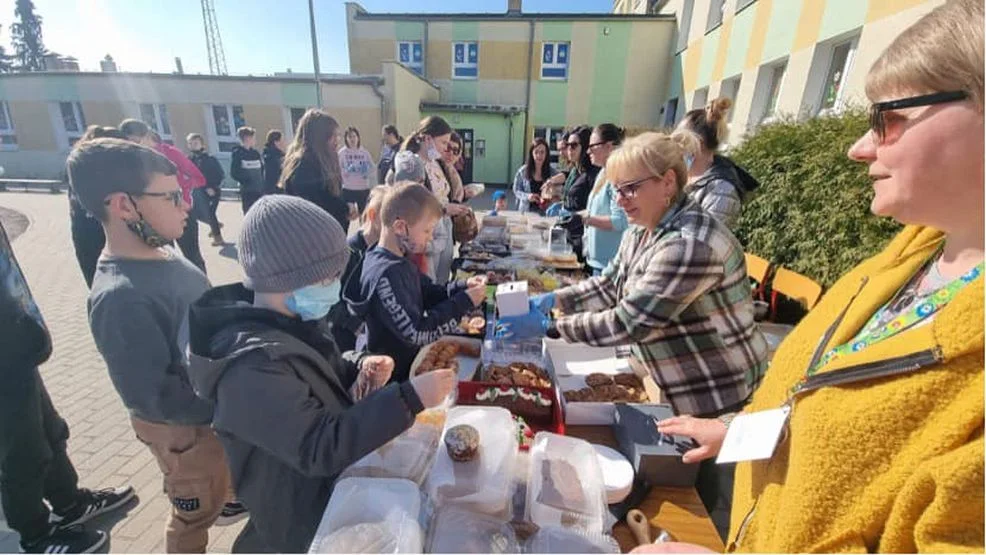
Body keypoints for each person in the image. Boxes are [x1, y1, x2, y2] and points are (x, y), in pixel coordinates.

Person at [642, 1, 985, 552]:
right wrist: (737, 431)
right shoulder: (901, 264)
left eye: (889, 118)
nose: (860, 146)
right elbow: (815, 402)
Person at [507, 131, 769, 537]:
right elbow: (608, 286)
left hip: (711, 388)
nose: (621, 200)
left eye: (630, 188)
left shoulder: (688, 244)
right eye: (616, 190)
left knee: (690, 499)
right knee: (662, 479)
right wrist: (555, 299)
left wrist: (552, 325)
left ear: (668, 182)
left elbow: (629, 322)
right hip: (667, 377)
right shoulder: (644, 229)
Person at [185, 194, 458, 553]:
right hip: (296, 518)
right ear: (291, 277)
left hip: (330, 492)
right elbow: (318, 446)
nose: (336, 286)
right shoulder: (250, 368)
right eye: (330, 277)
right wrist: (409, 398)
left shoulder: (295, 319)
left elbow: (319, 367)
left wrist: (358, 365)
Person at [68, 139, 233, 553]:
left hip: (213, 417)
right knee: (192, 515)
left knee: (218, 486)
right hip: (186, 434)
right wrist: (229, 404)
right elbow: (155, 397)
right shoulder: (119, 298)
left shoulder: (164, 251)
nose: (186, 206)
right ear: (124, 206)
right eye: (173, 196)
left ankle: (226, 492)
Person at [0, 220, 134, 554]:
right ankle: (32, 533)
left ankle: (69, 501)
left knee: (49, 428)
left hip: (16, 344)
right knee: (21, 450)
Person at [349, 184, 487, 383]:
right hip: (394, 378)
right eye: (427, 230)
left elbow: (428, 291)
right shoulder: (385, 274)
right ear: (400, 227)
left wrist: (463, 286)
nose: (430, 237)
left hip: (409, 366)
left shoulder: (399, 259)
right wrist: (463, 302)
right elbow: (416, 333)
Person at [120, 118, 208, 274]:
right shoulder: (132, 160)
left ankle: (206, 294)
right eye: (129, 142)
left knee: (192, 256)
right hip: (152, 217)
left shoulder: (169, 153)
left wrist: (180, 190)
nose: (134, 146)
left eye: (137, 141)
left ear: (147, 136)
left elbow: (199, 178)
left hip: (181, 212)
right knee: (164, 260)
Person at [396, 116, 471, 285]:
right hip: (427, 234)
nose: (445, 148)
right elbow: (412, 204)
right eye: (443, 143)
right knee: (428, 282)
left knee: (441, 279)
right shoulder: (412, 164)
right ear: (428, 139)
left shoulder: (435, 163)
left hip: (443, 229)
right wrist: (444, 209)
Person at [564, 123, 629, 274]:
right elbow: (595, 210)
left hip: (608, 264)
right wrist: (577, 216)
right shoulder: (603, 172)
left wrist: (585, 220)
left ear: (609, 146)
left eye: (592, 146)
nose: (588, 151)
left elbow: (620, 221)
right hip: (595, 260)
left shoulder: (617, 176)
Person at [331, 185, 389, 351]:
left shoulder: (387, 249)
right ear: (372, 215)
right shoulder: (347, 253)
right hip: (350, 342)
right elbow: (332, 301)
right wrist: (357, 326)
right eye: (389, 219)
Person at [676, 98, 746, 228]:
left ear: (698, 143)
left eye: (680, 139)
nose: (674, 145)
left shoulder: (721, 189)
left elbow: (706, 240)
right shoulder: (682, 179)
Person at [69, 126, 124, 288]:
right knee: (100, 283)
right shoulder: (83, 168)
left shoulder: (85, 165)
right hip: (92, 234)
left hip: (93, 232)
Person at [280, 109, 351, 232]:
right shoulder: (304, 164)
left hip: (329, 235)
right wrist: (345, 209)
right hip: (314, 239)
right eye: (332, 135)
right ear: (320, 137)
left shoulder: (325, 159)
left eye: (338, 135)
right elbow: (316, 204)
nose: (337, 140)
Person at [561, 126, 601, 264]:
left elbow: (596, 209)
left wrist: (577, 217)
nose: (569, 149)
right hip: (570, 233)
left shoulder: (593, 174)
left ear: (584, 147)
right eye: (567, 145)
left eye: (573, 145)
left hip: (582, 238)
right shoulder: (575, 171)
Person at [187, 133, 226, 246]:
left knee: (210, 213)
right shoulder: (189, 159)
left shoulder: (210, 159)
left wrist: (213, 187)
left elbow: (220, 175)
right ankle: (215, 225)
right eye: (191, 143)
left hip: (212, 191)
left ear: (202, 144)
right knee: (195, 213)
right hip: (197, 191)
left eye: (196, 143)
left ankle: (218, 238)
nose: (193, 146)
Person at [513, 138, 560, 213]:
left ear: (546, 154)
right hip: (526, 212)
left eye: (542, 152)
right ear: (532, 153)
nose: (539, 155)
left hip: (547, 215)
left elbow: (560, 192)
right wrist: (528, 196)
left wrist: (552, 196)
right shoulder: (522, 171)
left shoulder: (553, 173)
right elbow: (516, 190)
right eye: (536, 152)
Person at [338, 126, 375, 213]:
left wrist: (367, 173)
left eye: (354, 136)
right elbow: (336, 169)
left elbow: (372, 167)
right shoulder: (342, 153)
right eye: (350, 137)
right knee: (347, 215)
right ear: (346, 139)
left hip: (363, 189)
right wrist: (345, 172)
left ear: (358, 138)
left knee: (364, 215)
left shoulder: (364, 152)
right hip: (348, 189)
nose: (352, 139)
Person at [230, 127, 265, 214]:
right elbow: (234, 173)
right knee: (250, 214)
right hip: (248, 192)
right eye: (253, 138)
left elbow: (262, 169)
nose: (255, 140)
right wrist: (247, 180)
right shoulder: (238, 154)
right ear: (247, 138)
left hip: (259, 190)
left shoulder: (255, 153)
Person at [440, 132, 465, 203]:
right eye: (448, 148)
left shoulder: (452, 173)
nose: (451, 153)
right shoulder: (432, 171)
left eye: (455, 150)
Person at [262, 130, 285, 195]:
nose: (284, 142)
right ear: (276, 142)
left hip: (275, 189)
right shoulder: (271, 157)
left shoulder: (277, 155)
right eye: (282, 140)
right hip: (275, 190)